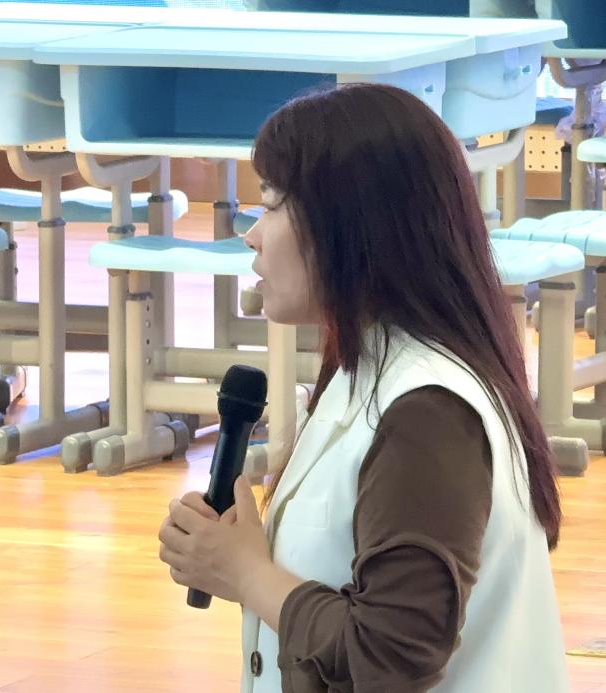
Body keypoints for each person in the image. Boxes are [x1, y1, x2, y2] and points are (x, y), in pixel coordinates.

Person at [158, 83, 568, 692]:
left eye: (270, 205)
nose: (252, 234)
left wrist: (246, 573)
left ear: (348, 224)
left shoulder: (427, 410)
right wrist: (227, 552)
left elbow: (389, 656)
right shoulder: (367, 366)